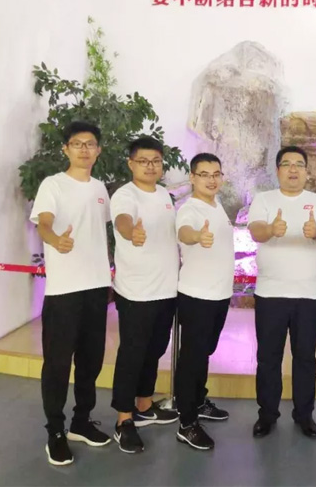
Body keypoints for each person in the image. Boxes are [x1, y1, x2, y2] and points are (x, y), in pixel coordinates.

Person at [30, 120, 112, 466]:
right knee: (58, 364)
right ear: (66, 149)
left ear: (98, 150)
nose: (84, 149)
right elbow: (44, 222)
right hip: (65, 290)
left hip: (96, 286)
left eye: (90, 143)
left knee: (91, 361)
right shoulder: (53, 184)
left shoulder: (100, 188)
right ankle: (55, 431)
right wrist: (55, 240)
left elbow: (102, 230)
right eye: (77, 143)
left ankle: (81, 421)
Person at [247, 145, 316, 439]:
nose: (293, 169)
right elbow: (255, 231)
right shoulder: (264, 199)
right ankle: (267, 415)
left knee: (305, 358)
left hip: (308, 294)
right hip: (270, 293)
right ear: (277, 170)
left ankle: (304, 415)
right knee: (268, 358)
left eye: (299, 164)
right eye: (287, 164)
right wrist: (271, 230)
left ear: (307, 172)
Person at [109, 136, 180, 454]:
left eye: (155, 161)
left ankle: (144, 405)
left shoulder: (164, 195)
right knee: (132, 354)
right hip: (136, 291)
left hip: (166, 289)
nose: (150, 166)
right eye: (143, 161)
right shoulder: (125, 195)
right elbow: (123, 220)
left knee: (154, 350)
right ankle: (124, 420)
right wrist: (130, 232)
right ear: (131, 164)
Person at [174, 153, 234, 451]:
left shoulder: (216, 205)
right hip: (196, 296)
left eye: (216, 174)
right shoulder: (189, 209)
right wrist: (198, 236)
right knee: (191, 359)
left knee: (204, 353)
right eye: (204, 174)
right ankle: (186, 423)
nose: (211, 180)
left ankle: (198, 401)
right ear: (192, 177)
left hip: (218, 295)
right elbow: (184, 232)